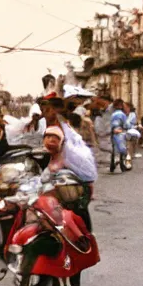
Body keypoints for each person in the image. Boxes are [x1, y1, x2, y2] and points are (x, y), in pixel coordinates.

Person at [41, 95, 98, 229]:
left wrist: (55, 164)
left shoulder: (61, 125)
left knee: (74, 201)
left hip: (71, 166)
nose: (45, 113)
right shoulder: (51, 124)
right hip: (64, 165)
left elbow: (63, 149)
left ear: (54, 110)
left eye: (47, 110)